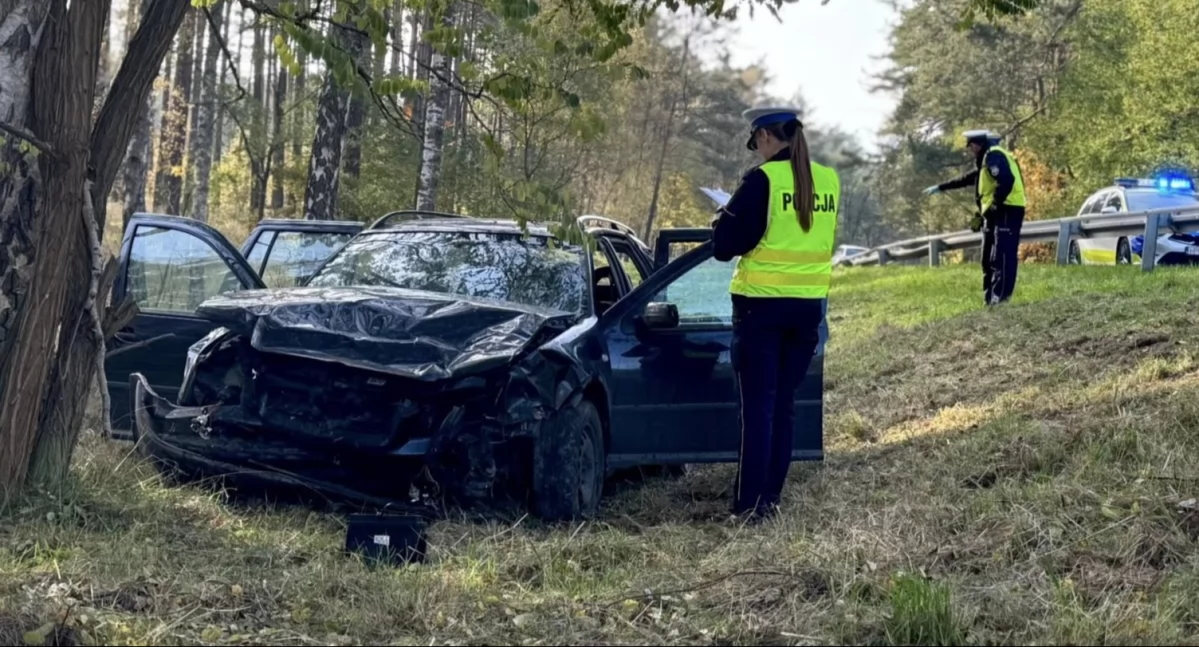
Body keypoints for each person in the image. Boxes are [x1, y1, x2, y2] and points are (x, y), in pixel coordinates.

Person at [710, 106, 839, 521]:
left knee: (758, 411)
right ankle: (770, 498)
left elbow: (724, 245)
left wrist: (720, 219)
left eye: (756, 143)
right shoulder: (829, 180)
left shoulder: (762, 180)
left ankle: (749, 506)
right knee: (783, 406)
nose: (757, 151)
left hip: (760, 309)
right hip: (807, 309)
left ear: (765, 136)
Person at [924, 130, 1027, 306]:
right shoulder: (986, 160)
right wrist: (942, 187)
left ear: (977, 145)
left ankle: (1001, 299)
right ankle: (990, 300)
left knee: (1002, 256)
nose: (970, 150)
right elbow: (968, 179)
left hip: (1007, 209)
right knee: (988, 258)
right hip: (995, 212)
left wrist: (994, 205)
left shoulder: (994, 156)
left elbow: (1007, 181)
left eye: (971, 146)